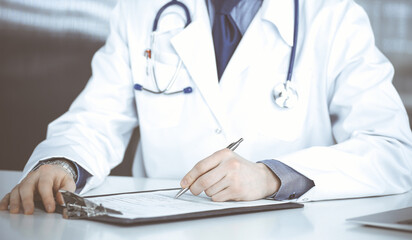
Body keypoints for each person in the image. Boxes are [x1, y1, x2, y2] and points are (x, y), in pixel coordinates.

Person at [1, 0, 412, 215]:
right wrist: (62, 163)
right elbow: (96, 117)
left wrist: (272, 177)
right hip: (159, 229)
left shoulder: (335, 18)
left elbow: (392, 150)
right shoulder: (142, 10)